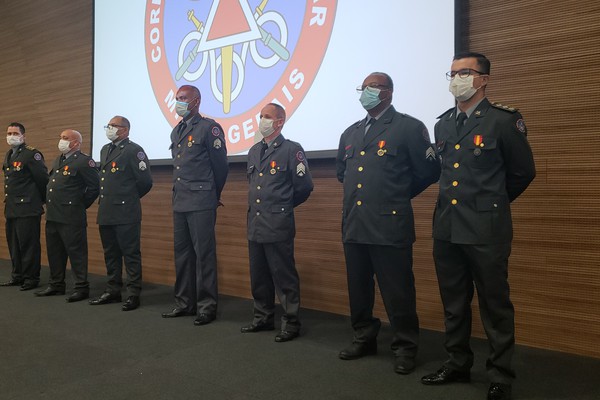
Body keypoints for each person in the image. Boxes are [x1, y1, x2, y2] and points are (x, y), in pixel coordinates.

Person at [420, 52, 535, 400]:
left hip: (486, 229)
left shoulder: (503, 121)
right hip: (448, 228)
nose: (457, 79)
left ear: (483, 79)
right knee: (454, 302)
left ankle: (500, 374)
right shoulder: (442, 124)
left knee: (494, 303)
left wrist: (492, 206)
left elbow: (522, 173)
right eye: (452, 73)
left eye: (465, 72)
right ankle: (457, 362)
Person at [336, 72, 440, 374]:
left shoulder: (408, 127)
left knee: (398, 291)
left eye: (372, 87)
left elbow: (430, 171)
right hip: (355, 224)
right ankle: (364, 337)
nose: (365, 92)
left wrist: (396, 195)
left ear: (388, 93)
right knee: (359, 289)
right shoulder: (351, 133)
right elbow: (343, 172)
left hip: (389, 225)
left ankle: (406, 346)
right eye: (363, 87)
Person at [241, 103, 313, 342]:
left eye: (267, 117)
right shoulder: (253, 151)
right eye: (261, 116)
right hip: (256, 222)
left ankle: (291, 323)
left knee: (284, 276)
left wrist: (282, 207)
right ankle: (262, 317)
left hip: (278, 223)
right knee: (258, 275)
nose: (262, 120)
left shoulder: (292, 150)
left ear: (280, 122)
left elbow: (304, 187)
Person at [162, 85, 228, 325]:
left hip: (201, 200)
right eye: (177, 98)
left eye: (183, 98)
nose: (178, 102)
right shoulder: (177, 130)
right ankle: (184, 303)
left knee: (204, 256)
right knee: (182, 255)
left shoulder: (209, 128)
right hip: (180, 200)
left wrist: (213, 194)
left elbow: (220, 167)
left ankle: (207, 306)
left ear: (196, 101)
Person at [88, 116, 153, 311]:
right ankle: (113, 290)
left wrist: (129, 198)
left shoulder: (134, 150)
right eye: (108, 125)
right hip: (107, 210)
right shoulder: (105, 149)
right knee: (111, 253)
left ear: (124, 130)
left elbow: (145, 182)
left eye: (113, 126)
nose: (109, 128)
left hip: (126, 211)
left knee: (130, 253)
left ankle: (133, 294)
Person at [34, 130, 100, 302]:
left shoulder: (85, 161)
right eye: (61, 137)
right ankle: (56, 284)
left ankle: (81, 287)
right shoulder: (59, 159)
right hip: (54, 214)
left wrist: (79, 205)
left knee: (76, 253)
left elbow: (94, 187)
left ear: (76, 143)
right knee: (55, 252)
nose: (61, 141)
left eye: (65, 138)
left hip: (71, 216)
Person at [1, 122, 48, 290]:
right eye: (9, 133)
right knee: (14, 244)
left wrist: (41, 200)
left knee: (28, 245)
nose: (11, 136)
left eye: (15, 133)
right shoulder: (9, 154)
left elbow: (43, 180)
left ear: (23, 136)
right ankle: (18, 275)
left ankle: (31, 278)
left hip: (28, 208)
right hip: (12, 208)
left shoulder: (31, 154)